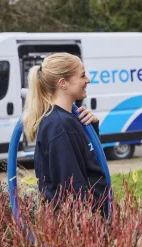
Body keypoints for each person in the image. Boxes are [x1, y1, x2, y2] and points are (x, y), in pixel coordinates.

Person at [22, 53, 109, 214]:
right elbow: (72, 190)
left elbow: (87, 163)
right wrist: (91, 224)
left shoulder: (66, 120)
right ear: (63, 83)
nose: (87, 80)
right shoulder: (60, 125)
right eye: (82, 76)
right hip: (82, 227)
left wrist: (92, 130)